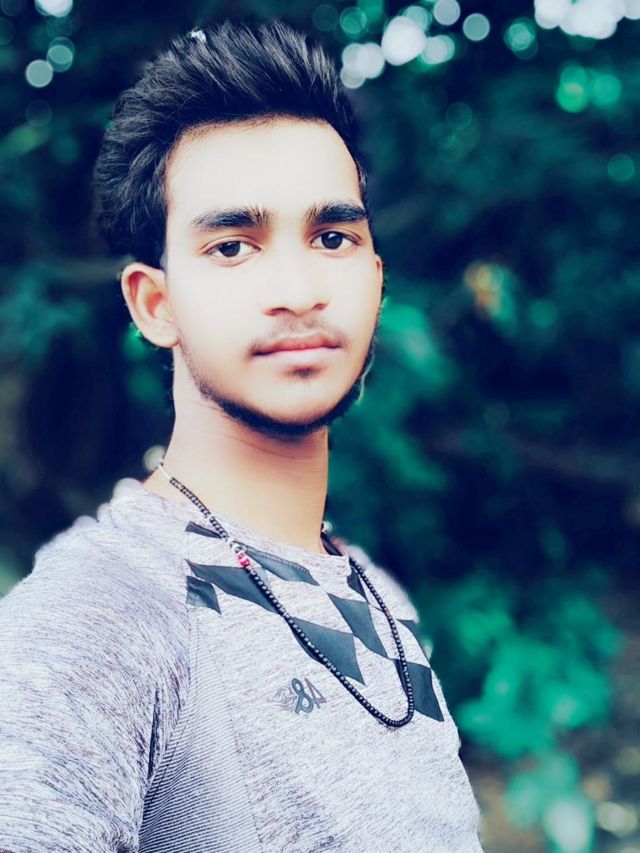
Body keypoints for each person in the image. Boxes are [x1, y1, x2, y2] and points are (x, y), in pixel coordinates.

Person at [0, 20, 482, 853]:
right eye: (232, 246)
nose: (297, 287)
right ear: (155, 304)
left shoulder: (376, 595)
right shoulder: (101, 614)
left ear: (375, 277)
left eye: (332, 238)